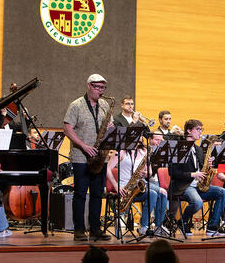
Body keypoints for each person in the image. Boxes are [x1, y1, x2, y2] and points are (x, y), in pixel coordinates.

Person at [63, 74, 112, 241]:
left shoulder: (105, 105)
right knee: (80, 194)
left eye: (103, 88)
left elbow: (108, 126)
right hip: (81, 156)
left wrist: (111, 127)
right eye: (98, 87)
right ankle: (79, 229)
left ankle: (95, 229)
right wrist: (84, 146)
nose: (101, 91)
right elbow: (68, 129)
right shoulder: (76, 105)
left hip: (100, 157)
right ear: (89, 86)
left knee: (98, 194)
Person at [168, 119, 225, 236]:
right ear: (189, 131)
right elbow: (173, 172)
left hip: (198, 186)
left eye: (201, 129)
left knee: (223, 192)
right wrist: (193, 174)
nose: (200, 132)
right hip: (183, 186)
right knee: (197, 203)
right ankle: (183, 222)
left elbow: (201, 168)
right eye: (198, 129)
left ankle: (212, 227)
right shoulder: (179, 148)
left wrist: (208, 166)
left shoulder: (199, 149)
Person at [105, 140, 167, 236]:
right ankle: (146, 226)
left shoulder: (144, 152)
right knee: (154, 193)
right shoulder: (121, 152)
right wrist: (116, 186)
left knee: (162, 192)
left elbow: (150, 172)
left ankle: (154, 226)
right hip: (125, 188)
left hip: (140, 185)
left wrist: (145, 174)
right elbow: (108, 169)